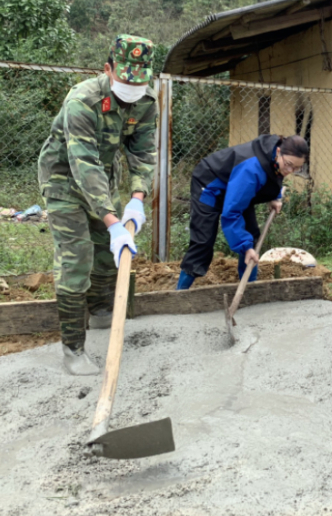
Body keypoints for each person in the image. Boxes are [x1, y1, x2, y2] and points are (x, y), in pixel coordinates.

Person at [38, 34, 157, 376]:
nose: (133, 88)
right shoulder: (83, 101)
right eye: (125, 80)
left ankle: (103, 311)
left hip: (103, 176)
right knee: (77, 259)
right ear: (108, 69)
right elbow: (82, 162)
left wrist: (137, 200)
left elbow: (143, 153)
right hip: (64, 177)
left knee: (108, 255)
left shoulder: (147, 101)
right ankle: (73, 348)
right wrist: (111, 220)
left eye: (140, 80)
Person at [176, 134, 309, 290]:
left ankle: (248, 291)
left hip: (236, 186)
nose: (290, 170)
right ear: (278, 151)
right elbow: (232, 212)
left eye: (296, 168)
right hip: (211, 186)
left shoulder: (274, 157)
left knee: (251, 235)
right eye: (288, 165)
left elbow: (273, 176)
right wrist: (245, 247)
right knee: (203, 242)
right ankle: (179, 295)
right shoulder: (251, 169)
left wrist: (274, 196)